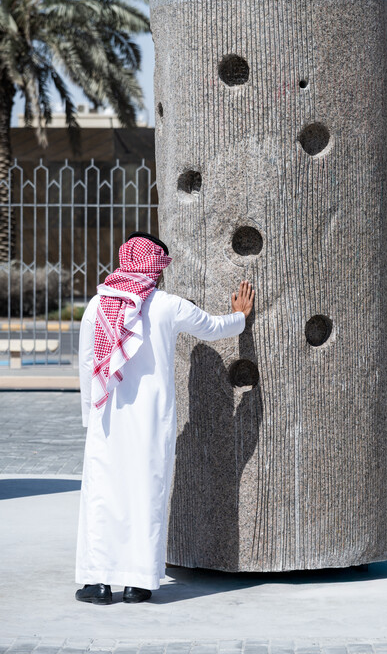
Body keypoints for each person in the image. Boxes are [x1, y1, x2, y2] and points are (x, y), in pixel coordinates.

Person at [74, 231, 255, 605]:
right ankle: (138, 583)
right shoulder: (169, 306)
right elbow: (215, 328)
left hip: (107, 418)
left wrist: (89, 421)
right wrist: (241, 316)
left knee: (104, 494)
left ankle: (97, 582)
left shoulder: (97, 306)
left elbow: (87, 366)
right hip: (153, 420)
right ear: (157, 269)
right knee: (147, 492)